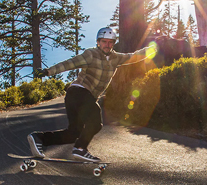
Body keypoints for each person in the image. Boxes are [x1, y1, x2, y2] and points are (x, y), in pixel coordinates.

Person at [28, 27, 156, 162]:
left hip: (80, 97)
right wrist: (48, 72)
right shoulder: (91, 54)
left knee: (73, 133)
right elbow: (70, 63)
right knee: (95, 122)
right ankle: (80, 149)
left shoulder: (116, 58)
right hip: (78, 92)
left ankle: (39, 138)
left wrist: (150, 50)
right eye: (104, 41)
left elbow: (133, 56)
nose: (107, 45)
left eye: (110, 42)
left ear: (113, 43)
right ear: (98, 42)